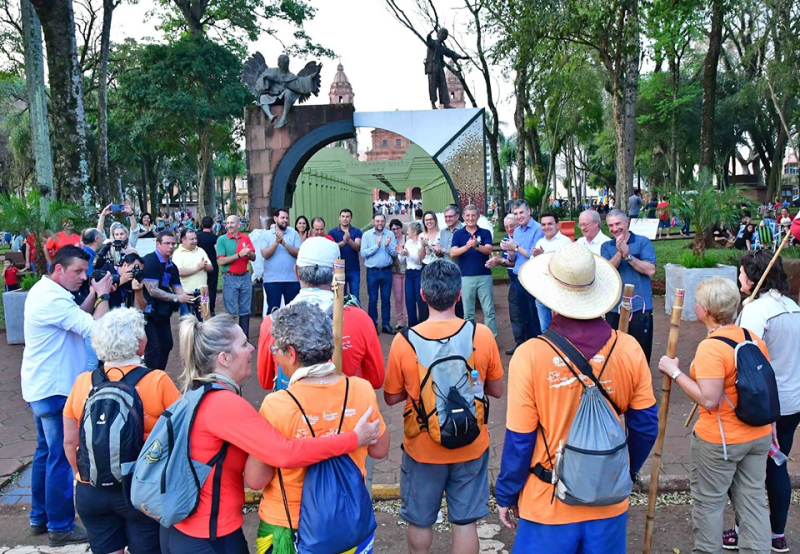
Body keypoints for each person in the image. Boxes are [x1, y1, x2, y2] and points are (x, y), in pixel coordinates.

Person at [158, 314, 380, 553]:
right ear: (224, 358)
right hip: (208, 535)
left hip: (202, 528)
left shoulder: (202, 394)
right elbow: (284, 453)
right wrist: (354, 439)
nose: (253, 348)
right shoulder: (224, 403)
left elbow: (257, 477)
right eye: (244, 344)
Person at [495, 242, 658, 553]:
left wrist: (506, 493)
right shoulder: (629, 349)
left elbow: (520, 439)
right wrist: (622, 469)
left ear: (551, 298)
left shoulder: (530, 356)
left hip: (548, 499)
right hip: (608, 502)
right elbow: (646, 426)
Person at [247, 302, 390, 553]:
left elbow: (256, 479)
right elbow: (380, 449)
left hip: (289, 526)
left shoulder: (276, 404)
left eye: (276, 350)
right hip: (349, 521)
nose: (275, 356)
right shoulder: (360, 389)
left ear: (290, 354)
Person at [384, 259, 504, 554]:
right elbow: (496, 390)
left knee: (421, 520)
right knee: (465, 524)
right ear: (459, 294)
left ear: (422, 295)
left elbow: (390, 396)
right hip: (472, 443)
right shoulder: (481, 335)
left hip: (423, 448)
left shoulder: (404, 341)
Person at [657, 277, 772, 554]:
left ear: (705, 311)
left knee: (709, 502)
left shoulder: (711, 347)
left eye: (698, 302)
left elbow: (709, 399)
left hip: (720, 440)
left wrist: (674, 372)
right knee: (754, 500)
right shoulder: (751, 337)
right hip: (758, 435)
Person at [62, 308, 181, 554]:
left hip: (90, 489)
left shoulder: (83, 382)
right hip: (140, 488)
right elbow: (180, 435)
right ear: (141, 343)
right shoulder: (157, 380)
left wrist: (83, 475)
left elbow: (69, 441)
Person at [20, 245, 114, 547]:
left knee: (46, 453)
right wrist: (102, 295)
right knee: (61, 457)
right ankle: (60, 526)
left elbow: (76, 316)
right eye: (77, 271)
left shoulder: (47, 292)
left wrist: (93, 295)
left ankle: (40, 517)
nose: (82, 277)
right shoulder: (51, 299)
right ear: (59, 269)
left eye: (85, 272)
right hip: (55, 390)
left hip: (45, 388)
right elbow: (96, 329)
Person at [734, 251, 800, 552]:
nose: (739, 279)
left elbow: (749, 361)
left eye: (742, 273)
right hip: (793, 400)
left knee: (750, 470)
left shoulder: (756, 311)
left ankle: (744, 530)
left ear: (753, 276)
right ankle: (776, 533)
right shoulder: (791, 306)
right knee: (777, 464)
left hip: (766, 405)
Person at [257, 236, 385, 392]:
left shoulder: (272, 322)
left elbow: (266, 381)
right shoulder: (360, 319)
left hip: (291, 411)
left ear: (296, 272)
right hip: (347, 409)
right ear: (336, 275)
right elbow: (376, 380)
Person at [601, 209, 657, 363]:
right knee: (614, 352)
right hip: (614, 308)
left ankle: (641, 384)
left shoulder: (642, 242)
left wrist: (629, 256)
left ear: (627, 222)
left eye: (618, 223)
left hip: (640, 307)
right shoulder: (606, 246)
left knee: (641, 353)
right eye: (610, 225)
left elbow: (651, 270)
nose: (614, 228)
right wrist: (620, 253)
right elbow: (606, 272)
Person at [141, 230, 196, 370]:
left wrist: (190, 297)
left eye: (173, 243)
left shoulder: (172, 266)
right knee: (152, 347)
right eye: (167, 243)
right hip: (147, 312)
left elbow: (178, 289)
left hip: (162, 312)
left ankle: (159, 375)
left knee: (166, 344)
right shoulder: (150, 261)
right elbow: (152, 290)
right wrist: (177, 298)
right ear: (158, 244)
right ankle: (149, 378)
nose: (171, 246)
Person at [500, 200, 545, 348]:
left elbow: (534, 255)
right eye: (516, 213)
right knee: (522, 314)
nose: (518, 216)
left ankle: (537, 345)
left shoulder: (539, 229)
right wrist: (511, 252)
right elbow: (514, 258)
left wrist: (516, 247)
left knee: (534, 314)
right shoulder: (517, 231)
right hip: (519, 276)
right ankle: (525, 345)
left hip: (533, 276)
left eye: (521, 212)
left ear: (529, 211)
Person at [450, 204, 496, 336]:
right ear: (463, 217)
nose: (470, 218)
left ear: (478, 216)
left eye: (473, 215)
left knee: (488, 310)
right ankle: (470, 338)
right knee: (468, 312)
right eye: (468, 215)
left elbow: (488, 249)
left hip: (484, 276)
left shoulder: (485, 232)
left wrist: (476, 246)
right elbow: (453, 253)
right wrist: (467, 246)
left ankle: (491, 337)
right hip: (466, 277)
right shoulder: (458, 234)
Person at [529, 211, 572, 332]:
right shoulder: (540, 242)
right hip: (543, 290)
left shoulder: (566, 242)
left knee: (563, 327)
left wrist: (545, 256)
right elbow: (533, 265)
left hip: (561, 290)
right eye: (543, 224)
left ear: (557, 225)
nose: (546, 227)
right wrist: (536, 257)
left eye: (550, 224)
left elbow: (568, 266)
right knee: (545, 328)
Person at [486, 214, 523, 352]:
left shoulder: (521, 239)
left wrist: (499, 261)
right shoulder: (505, 240)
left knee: (525, 312)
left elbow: (513, 261)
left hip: (523, 278)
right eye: (506, 226)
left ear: (517, 225)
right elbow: (508, 262)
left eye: (512, 225)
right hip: (512, 279)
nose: (509, 229)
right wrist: (499, 261)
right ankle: (519, 342)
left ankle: (529, 342)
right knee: (514, 312)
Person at [217, 215, 257, 336]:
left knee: (245, 310)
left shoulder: (246, 238)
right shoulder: (222, 240)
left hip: (245, 277)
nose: (229, 225)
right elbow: (221, 261)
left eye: (232, 223)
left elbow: (254, 257)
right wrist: (239, 255)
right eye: (228, 223)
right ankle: (232, 340)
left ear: (238, 224)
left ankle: (245, 339)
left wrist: (248, 254)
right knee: (231, 312)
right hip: (230, 278)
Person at [360, 213, 398, 334]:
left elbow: (395, 253)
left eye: (382, 221)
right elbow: (363, 253)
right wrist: (376, 246)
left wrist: (387, 247)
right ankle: (373, 325)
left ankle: (386, 324)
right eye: (377, 221)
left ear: (385, 221)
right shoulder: (366, 235)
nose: (379, 223)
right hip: (372, 271)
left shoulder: (390, 234)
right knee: (373, 299)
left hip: (387, 270)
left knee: (386, 299)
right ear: (373, 222)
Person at [259, 208, 300, 315]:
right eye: (282, 218)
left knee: (292, 312)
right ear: (275, 218)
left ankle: (292, 332)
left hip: (292, 279)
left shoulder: (294, 233)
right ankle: (272, 332)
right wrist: (276, 242)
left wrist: (284, 244)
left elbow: (298, 253)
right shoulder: (266, 235)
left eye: (287, 218)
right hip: (272, 280)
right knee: (273, 310)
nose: (285, 220)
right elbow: (265, 254)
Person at [172, 228, 213, 319]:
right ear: (183, 240)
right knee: (188, 324)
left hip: (203, 293)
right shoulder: (177, 253)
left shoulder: (201, 250)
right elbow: (179, 272)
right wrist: (197, 268)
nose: (195, 241)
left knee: (205, 322)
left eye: (195, 238)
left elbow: (211, 268)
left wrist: (205, 266)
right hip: (187, 294)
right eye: (191, 239)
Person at [424, 28, 465, 109]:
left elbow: (450, 52)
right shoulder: (433, 43)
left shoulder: (442, 48)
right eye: (443, 34)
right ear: (439, 34)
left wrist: (460, 56)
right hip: (432, 67)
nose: (444, 36)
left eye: (445, 36)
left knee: (443, 85)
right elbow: (428, 41)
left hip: (439, 67)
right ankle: (433, 104)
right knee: (433, 85)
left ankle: (445, 103)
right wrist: (429, 35)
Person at [329, 208, 363, 304]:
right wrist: (343, 242)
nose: (345, 219)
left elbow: (357, 247)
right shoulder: (332, 232)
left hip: (353, 269)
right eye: (343, 216)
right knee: (339, 298)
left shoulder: (357, 232)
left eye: (347, 216)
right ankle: (342, 318)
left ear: (351, 218)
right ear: (339, 218)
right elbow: (331, 248)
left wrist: (348, 240)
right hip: (338, 269)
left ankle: (355, 318)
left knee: (354, 297)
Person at [404, 221, 427, 326]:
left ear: (414, 232)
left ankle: (423, 324)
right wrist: (401, 253)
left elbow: (418, 260)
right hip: (409, 273)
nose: (407, 232)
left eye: (408, 230)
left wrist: (407, 254)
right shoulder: (408, 243)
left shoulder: (421, 243)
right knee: (409, 300)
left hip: (419, 272)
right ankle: (411, 325)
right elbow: (402, 260)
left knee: (420, 299)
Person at [196, 216, 220, 317]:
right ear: (212, 225)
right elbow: (218, 251)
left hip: (200, 264)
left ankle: (201, 307)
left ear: (202, 225)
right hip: (212, 264)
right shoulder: (214, 238)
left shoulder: (197, 237)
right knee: (212, 288)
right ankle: (211, 309)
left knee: (201, 286)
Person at [390, 219, 408, 330]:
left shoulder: (407, 238)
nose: (396, 230)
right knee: (398, 297)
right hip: (395, 271)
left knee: (407, 297)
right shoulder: (390, 241)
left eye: (397, 228)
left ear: (401, 228)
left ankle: (409, 319)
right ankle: (400, 320)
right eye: (393, 229)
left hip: (407, 271)